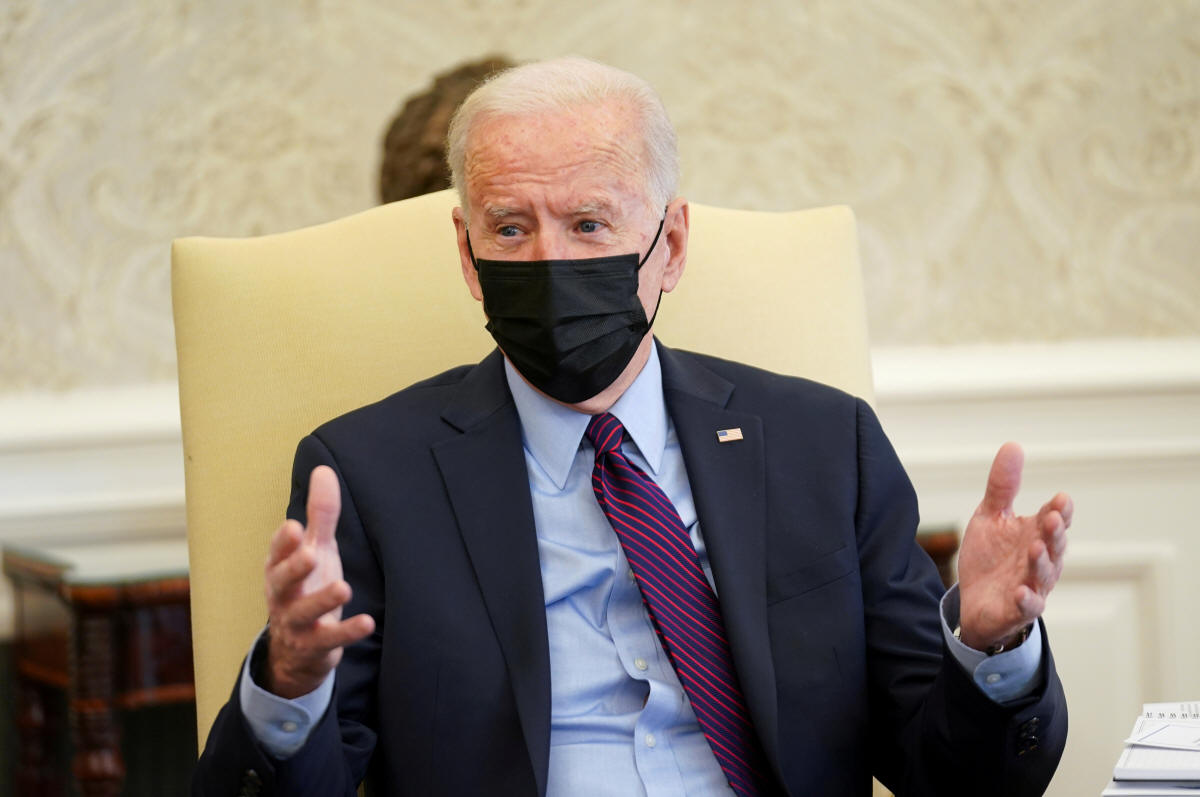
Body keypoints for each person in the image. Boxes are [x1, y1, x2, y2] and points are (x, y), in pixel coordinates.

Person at [192, 57, 1071, 796]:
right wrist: (289, 685)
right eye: (511, 228)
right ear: (466, 252)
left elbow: (958, 777)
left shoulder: (821, 444)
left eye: (589, 224)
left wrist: (990, 645)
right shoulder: (369, 474)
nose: (549, 261)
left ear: (671, 246)